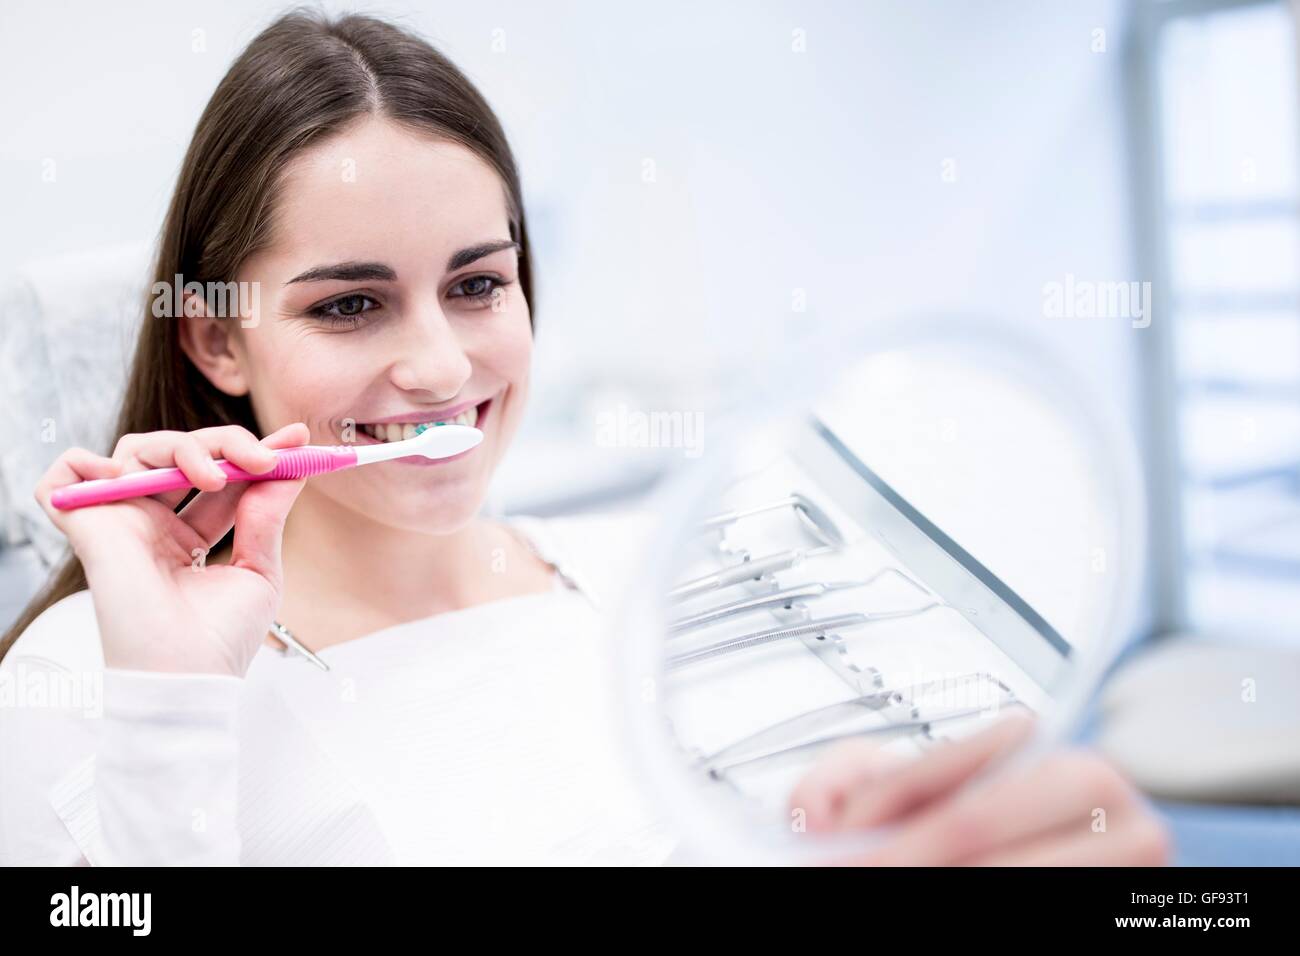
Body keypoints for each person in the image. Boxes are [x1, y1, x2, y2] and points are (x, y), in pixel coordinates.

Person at [0, 9, 1170, 867]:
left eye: (477, 284)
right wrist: (171, 699)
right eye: (349, 303)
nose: (445, 366)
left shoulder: (638, 574)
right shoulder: (85, 669)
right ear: (214, 342)